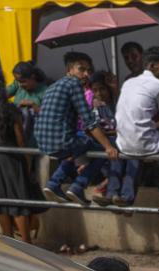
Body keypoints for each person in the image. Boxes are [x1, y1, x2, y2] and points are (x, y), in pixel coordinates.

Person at [34, 51, 119, 204]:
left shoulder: (53, 86)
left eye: (89, 70)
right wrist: (108, 147)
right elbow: (89, 121)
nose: (86, 74)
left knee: (78, 146)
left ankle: (54, 183)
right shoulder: (74, 84)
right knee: (100, 150)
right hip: (62, 142)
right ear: (69, 70)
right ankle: (78, 187)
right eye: (81, 69)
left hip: (44, 144)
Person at [104, 47, 159, 208]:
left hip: (124, 143)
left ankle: (122, 196)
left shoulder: (128, 82)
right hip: (144, 144)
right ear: (151, 66)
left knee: (136, 147)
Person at [0, 70, 42, 243]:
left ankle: (9, 242)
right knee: (18, 203)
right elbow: (20, 137)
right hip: (12, 157)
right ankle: (27, 244)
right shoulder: (10, 108)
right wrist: (26, 162)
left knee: (0, 203)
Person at [121, 41, 159, 120]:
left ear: (142, 56)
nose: (130, 61)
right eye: (126, 58)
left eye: (134, 56)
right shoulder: (128, 81)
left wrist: (157, 125)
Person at [7, 61, 47, 145]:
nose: (20, 84)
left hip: (35, 140)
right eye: (17, 81)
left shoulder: (45, 92)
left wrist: (32, 105)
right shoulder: (18, 84)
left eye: (23, 81)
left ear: (32, 77)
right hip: (16, 137)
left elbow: (48, 117)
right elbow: (2, 95)